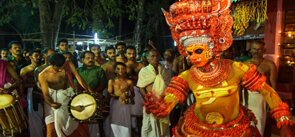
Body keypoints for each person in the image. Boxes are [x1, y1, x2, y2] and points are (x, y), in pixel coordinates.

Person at [144, 0, 294, 136]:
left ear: (212, 47)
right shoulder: (187, 75)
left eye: (198, 51)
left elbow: (268, 92)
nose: (193, 57)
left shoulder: (236, 68)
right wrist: (161, 106)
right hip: (197, 131)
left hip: (235, 131)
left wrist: (283, 121)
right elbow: (171, 99)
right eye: (189, 53)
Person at [38, 53, 94, 137]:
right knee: (51, 129)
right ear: (51, 64)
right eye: (58, 68)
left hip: (68, 96)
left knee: (79, 126)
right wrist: (51, 104)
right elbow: (46, 94)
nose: (61, 70)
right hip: (52, 100)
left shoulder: (68, 64)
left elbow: (79, 78)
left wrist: (90, 91)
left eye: (62, 67)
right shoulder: (43, 75)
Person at [241, 40, 278, 136]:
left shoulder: (270, 65)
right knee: (245, 126)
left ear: (264, 50)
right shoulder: (244, 64)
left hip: (261, 99)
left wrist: (273, 103)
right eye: (254, 49)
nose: (256, 52)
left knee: (259, 124)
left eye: (259, 49)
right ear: (250, 50)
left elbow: (273, 85)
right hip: (246, 98)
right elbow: (239, 84)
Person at [137, 49, 171, 137]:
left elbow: (168, 86)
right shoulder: (144, 71)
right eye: (152, 56)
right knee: (148, 125)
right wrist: (149, 101)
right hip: (150, 102)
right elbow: (141, 87)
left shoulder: (164, 70)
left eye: (157, 56)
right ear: (147, 58)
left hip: (163, 102)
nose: (155, 58)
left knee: (163, 126)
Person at [77, 51, 107, 137]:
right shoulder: (78, 70)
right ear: (82, 60)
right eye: (88, 58)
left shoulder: (99, 70)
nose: (90, 60)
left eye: (92, 58)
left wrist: (93, 93)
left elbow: (103, 84)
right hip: (81, 99)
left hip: (95, 98)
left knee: (96, 121)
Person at [20, 49, 43, 137]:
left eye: (39, 56)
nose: (38, 58)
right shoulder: (25, 69)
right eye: (36, 56)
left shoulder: (44, 68)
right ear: (30, 57)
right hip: (32, 93)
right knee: (34, 116)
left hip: (44, 92)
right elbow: (23, 84)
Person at [108, 62, 135, 137]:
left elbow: (133, 94)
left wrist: (127, 97)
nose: (120, 70)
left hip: (125, 104)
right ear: (115, 70)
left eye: (122, 68)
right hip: (115, 103)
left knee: (126, 121)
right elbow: (110, 93)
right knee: (115, 121)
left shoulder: (129, 82)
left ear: (125, 70)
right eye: (118, 69)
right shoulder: (112, 81)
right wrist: (118, 96)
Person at [124, 46, 144, 134]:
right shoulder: (122, 66)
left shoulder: (141, 65)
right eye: (129, 53)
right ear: (125, 54)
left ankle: (139, 133)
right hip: (126, 92)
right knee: (127, 115)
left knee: (139, 114)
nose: (132, 55)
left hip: (139, 91)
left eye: (133, 53)